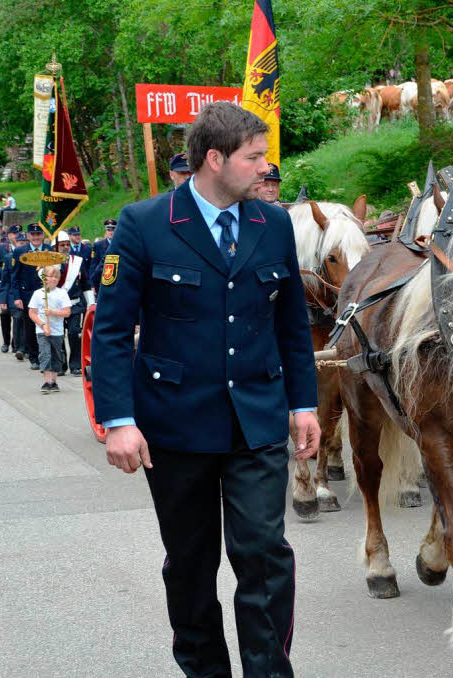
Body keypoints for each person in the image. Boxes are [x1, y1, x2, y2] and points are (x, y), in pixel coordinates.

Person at [92, 102, 321, 678]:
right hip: (175, 426)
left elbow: (291, 325)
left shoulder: (275, 226)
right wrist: (118, 420)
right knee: (191, 565)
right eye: (255, 158)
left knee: (265, 556)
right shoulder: (144, 223)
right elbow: (115, 332)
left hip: (257, 421)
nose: (267, 171)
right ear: (214, 159)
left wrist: (303, 404)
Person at [9, 224, 51, 369]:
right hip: (27, 294)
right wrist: (17, 297)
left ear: (43, 236)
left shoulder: (50, 249)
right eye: (33, 234)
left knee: (46, 325)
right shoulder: (20, 251)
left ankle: (45, 355)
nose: (36, 237)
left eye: (38, 234)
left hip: (46, 294)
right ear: (28, 236)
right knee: (31, 326)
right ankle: (34, 357)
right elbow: (14, 276)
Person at [54, 230, 95, 375]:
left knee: (73, 333)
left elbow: (85, 283)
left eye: (67, 244)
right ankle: (60, 364)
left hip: (75, 304)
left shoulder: (77, 262)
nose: (65, 247)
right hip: (57, 306)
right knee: (58, 335)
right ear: (56, 247)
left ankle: (76, 365)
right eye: (62, 245)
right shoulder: (50, 263)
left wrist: (91, 303)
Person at [28, 265, 71, 393]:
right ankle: (47, 381)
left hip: (57, 331)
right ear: (44, 278)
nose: (52, 279)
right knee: (45, 354)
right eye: (49, 276)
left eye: (55, 277)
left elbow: (67, 312)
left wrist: (52, 312)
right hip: (42, 331)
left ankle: (54, 381)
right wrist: (43, 325)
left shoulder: (62, 293)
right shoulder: (38, 294)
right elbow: (32, 312)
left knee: (56, 355)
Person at [90, 219, 115, 293]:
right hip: (102, 282)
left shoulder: (121, 244)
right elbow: (93, 265)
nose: (111, 232)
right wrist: (92, 285)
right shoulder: (98, 245)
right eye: (108, 230)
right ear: (106, 231)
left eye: (113, 230)